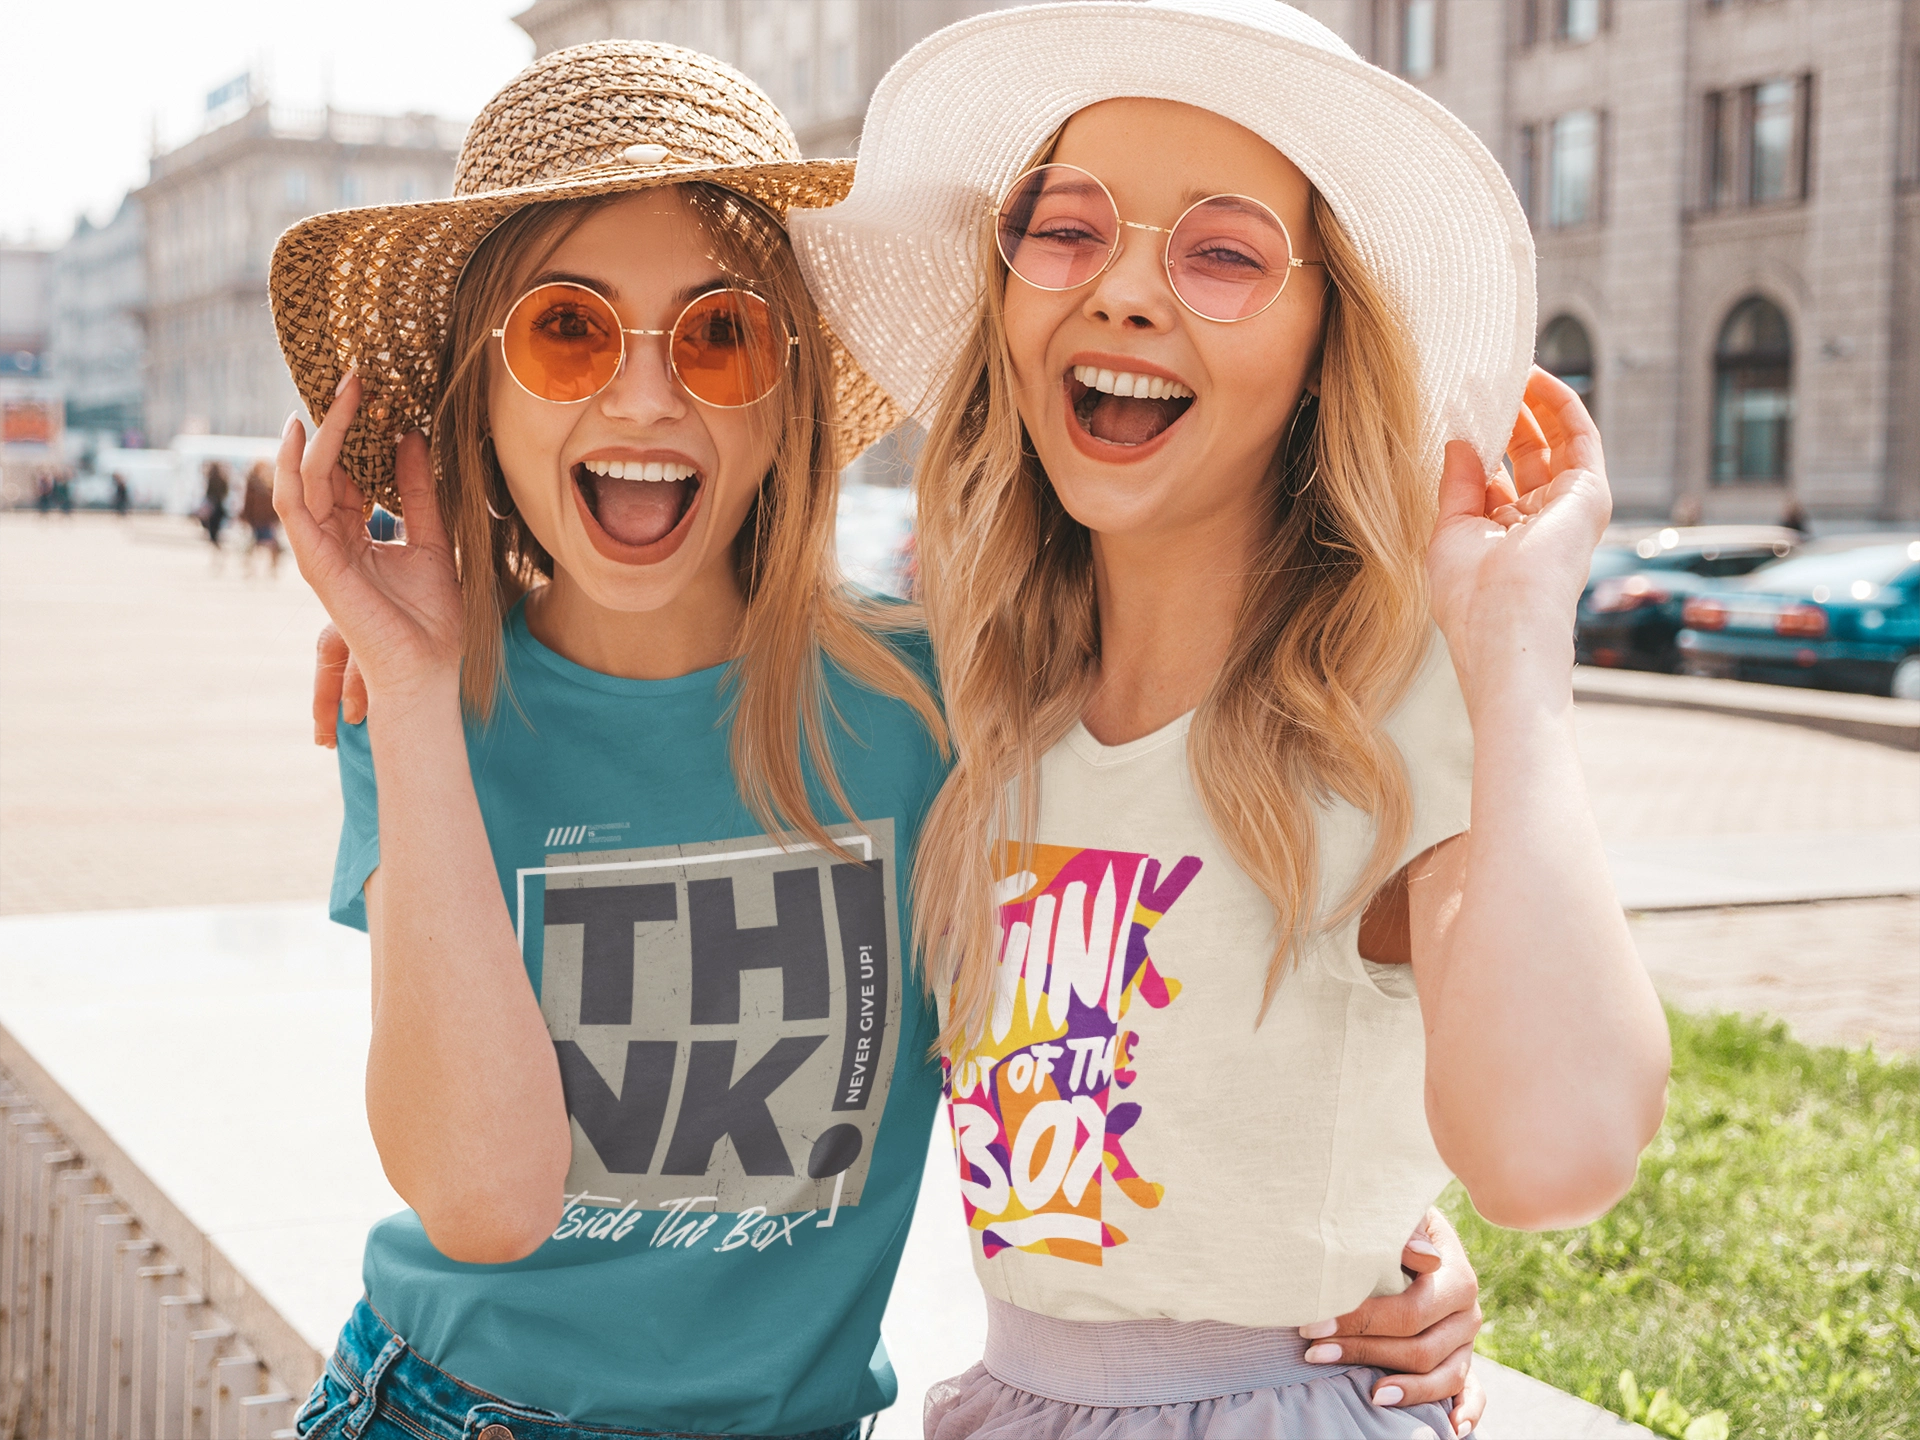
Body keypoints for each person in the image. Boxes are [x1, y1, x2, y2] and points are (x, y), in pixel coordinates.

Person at [298, 33, 1491, 1440]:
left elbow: (1170, 996)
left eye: (718, 333)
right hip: (444, 1409)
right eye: (566, 330)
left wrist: (1387, 1250)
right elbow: (482, 1202)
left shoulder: (945, 705)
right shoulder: (422, 720)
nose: (641, 396)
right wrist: (420, 683)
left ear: (793, 386)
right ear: (475, 399)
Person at [790, 1, 1671, 1436]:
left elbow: (1555, 1155)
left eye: (1223, 254)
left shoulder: (1383, 711)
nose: (1127, 296)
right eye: (1066, 230)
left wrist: (1514, 648)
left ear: (1329, 339)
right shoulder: (973, 701)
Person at [239, 460, 282, 575]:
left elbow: (275, 502)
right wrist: (245, 517)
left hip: (267, 520)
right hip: (256, 520)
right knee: (252, 545)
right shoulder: (252, 484)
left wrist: (277, 518)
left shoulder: (271, 482)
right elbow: (247, 503)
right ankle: (249, 568)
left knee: (273, 546)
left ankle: (273, 568)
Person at [200, 460, 231, 558]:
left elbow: (208, 494)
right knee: (216, 532)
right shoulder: (223, 479)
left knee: (213, 533)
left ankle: (218, 552)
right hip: (219, 508)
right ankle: (219, 552)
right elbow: (225, 493)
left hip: (213, 509)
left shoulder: (210, 479)